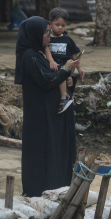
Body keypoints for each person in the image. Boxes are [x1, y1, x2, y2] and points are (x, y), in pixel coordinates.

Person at [15, 16, 78, 197]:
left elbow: (54, 77)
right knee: (43, 156)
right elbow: (47, 80)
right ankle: (40, 191)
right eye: (45, 32)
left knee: (55, 153)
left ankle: (58, 187)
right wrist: (65, 69)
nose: (49, 36)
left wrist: (68, 78)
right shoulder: (30, 57)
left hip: (51, 115)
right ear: (34, 34)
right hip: (41, 119)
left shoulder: (39, 55)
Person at [43, 7, 84, 114]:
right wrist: (51, 61)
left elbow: (75, 55)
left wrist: (79, 68)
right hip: (54, 66)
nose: (60, 28)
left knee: (65, 71)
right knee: (61, 71)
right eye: (57, 25)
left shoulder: (68, 39)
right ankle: (64, 95)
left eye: (63, 25)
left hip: (67, 66)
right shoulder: (48, 37)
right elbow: (46, 48)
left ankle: (64, 96)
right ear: (50, 24)